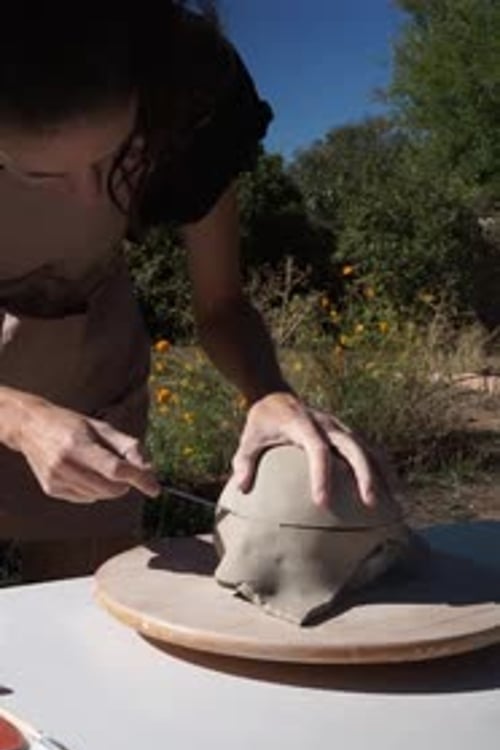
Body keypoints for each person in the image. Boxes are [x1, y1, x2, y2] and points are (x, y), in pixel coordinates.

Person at [0, 4, 377, 582]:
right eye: (39, 176)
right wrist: (18, 416)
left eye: (112, 157)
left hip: (87, 352)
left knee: (83, 606)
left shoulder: (193, 97)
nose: (87, 200)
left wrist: (268, 393)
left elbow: (221, 305)